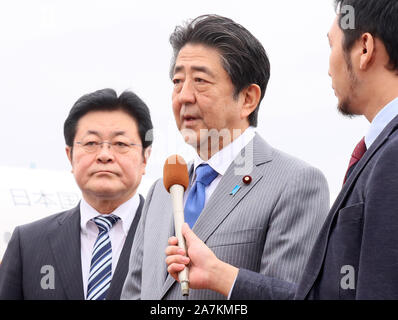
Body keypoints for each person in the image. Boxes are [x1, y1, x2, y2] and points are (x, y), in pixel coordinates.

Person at [166, 0, 398, 300]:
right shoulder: (166, 189)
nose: (328, 66)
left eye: (332, 46)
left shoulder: (390, 156)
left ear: (364, 48)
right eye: (177, 81)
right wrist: (221, 275)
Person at [121, 14, 329, 300]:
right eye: (177, 81)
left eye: (201, 81)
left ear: (248, 99)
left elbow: (293, 294)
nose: (184, 96)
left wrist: (222, 277)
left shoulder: (295, 183)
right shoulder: (161, 191)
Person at [0, 88, 153, 300]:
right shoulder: (27, 244)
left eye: (120, 144)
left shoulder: (171, 241)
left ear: (145, 157)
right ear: (70, 155)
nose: (105, 155)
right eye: (91, 143)